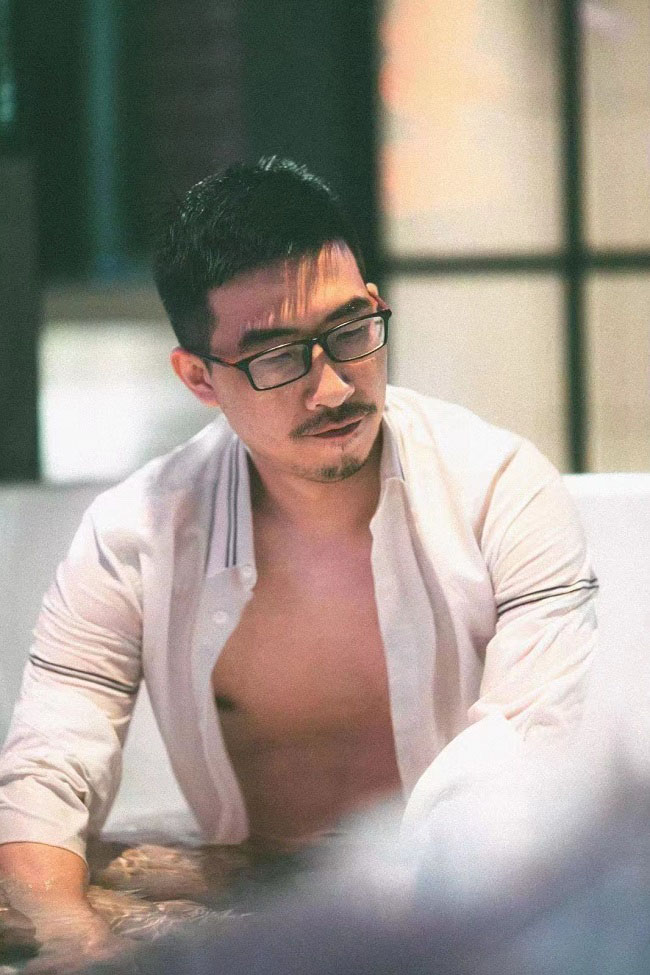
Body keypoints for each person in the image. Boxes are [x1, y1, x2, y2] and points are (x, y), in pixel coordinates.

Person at [0, 157, 597, 969]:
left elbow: (523, 761)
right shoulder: (133, 535)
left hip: (453, 907)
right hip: (237, 902)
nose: (332, 388)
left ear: (375, 306)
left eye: (350, 332)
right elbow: (46, 772)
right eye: (278, 357)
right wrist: (75, 939)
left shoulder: (502, 491)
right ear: (199, 378)